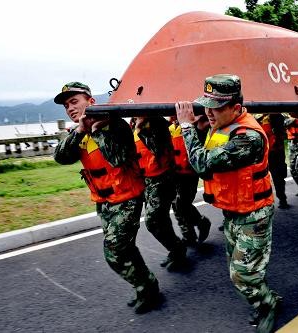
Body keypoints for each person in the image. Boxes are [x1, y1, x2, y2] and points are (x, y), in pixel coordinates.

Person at [175, 74, 280, 333]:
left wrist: (187, 127)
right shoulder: (223, 125)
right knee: (242, 268)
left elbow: (201, 164)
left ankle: (268, 304)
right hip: (234, 210)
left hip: (254, 213)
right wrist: (203, 126)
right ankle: (261, 297)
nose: (210, 112)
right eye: (207, 106)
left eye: (217, 107)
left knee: (242, 273)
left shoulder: (248, 137)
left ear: (236, 108)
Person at [53, 82, 160, 314]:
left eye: (74, 102)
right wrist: (81, 130)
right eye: (66, 106)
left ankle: (146, 285)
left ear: (91, 102)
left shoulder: (115, 126)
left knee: (115, 252)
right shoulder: (77, 132)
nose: (69, 108)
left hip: (127, 198)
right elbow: (61, 157)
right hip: (104, 202)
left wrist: (96, 129)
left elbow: (118, 158)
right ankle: (147, 288)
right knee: (126, 249)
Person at [133, 116, 188, 271]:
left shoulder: (158, 123)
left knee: (153, 221)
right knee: (162, 219)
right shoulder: (133, 122)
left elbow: (156, 148)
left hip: (162, 178)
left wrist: (140, 127)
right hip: (146, 179)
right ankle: (177, 251)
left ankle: (178, 248)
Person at [168, 116, 212, 246]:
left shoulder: (195, 124)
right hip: (175, 173)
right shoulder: (171, 127)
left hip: (189, 173)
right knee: (177, 205)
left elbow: (201, 139)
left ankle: (201, 222)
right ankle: (190, 236)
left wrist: (198, 127)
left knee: (182, 204)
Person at [255, 113, 290, 209]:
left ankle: (282, 199)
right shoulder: (259, 119)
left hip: (276, 152)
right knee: (260, 178)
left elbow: (278, 132)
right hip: (265, 153)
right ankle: (263, 203)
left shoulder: (277, 117)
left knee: (278, 178)